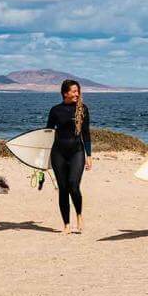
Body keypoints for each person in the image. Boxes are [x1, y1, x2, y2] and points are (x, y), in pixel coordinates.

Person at [45, 79, 92, 234]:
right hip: (58, 152)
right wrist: (41, 157)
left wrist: (89, 154)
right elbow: (48, 133)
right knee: (63, 188)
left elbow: (86, 133)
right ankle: (66, 225)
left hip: (77, 152)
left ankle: (79, 215)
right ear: (65, 93)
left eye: (78, 91)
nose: (77, 94)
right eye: (73, 91)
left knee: (73, 184)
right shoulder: (55, 110)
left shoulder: (82, 109)